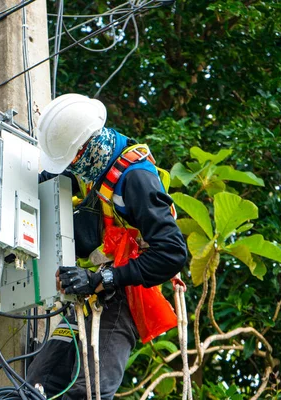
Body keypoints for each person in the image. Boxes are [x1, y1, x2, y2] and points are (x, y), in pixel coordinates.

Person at [26, 94, 187, 399]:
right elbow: (47, 181)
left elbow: (172, 253)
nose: (70, 167)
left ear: (85, 148)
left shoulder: (135, 179)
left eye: (71, 159)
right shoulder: (90, 164)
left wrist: (101, 279)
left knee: (90, 393)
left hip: (122, 296)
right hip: (87, 298)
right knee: (36, 383)